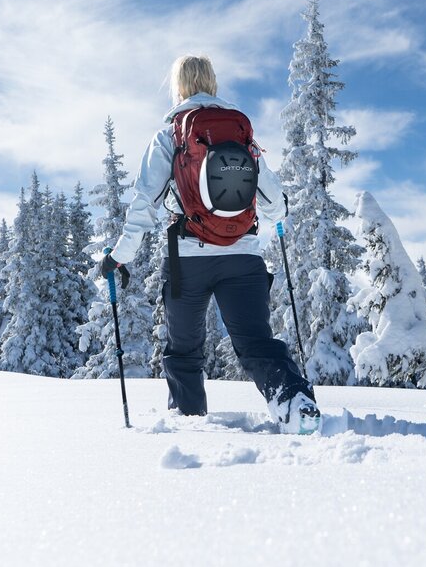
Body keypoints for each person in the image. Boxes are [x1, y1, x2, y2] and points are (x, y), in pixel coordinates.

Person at [99, 55, 320, 434]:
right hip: (244, 257)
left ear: (178, 86)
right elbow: (275, 205)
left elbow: (143, 205)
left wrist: (119, 257)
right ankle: (295, 404)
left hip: (188, 260)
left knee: (184, 351)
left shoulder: (169, 136)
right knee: (255, 343)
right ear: (213, 83)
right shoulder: (241, 134)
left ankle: (189, 427)